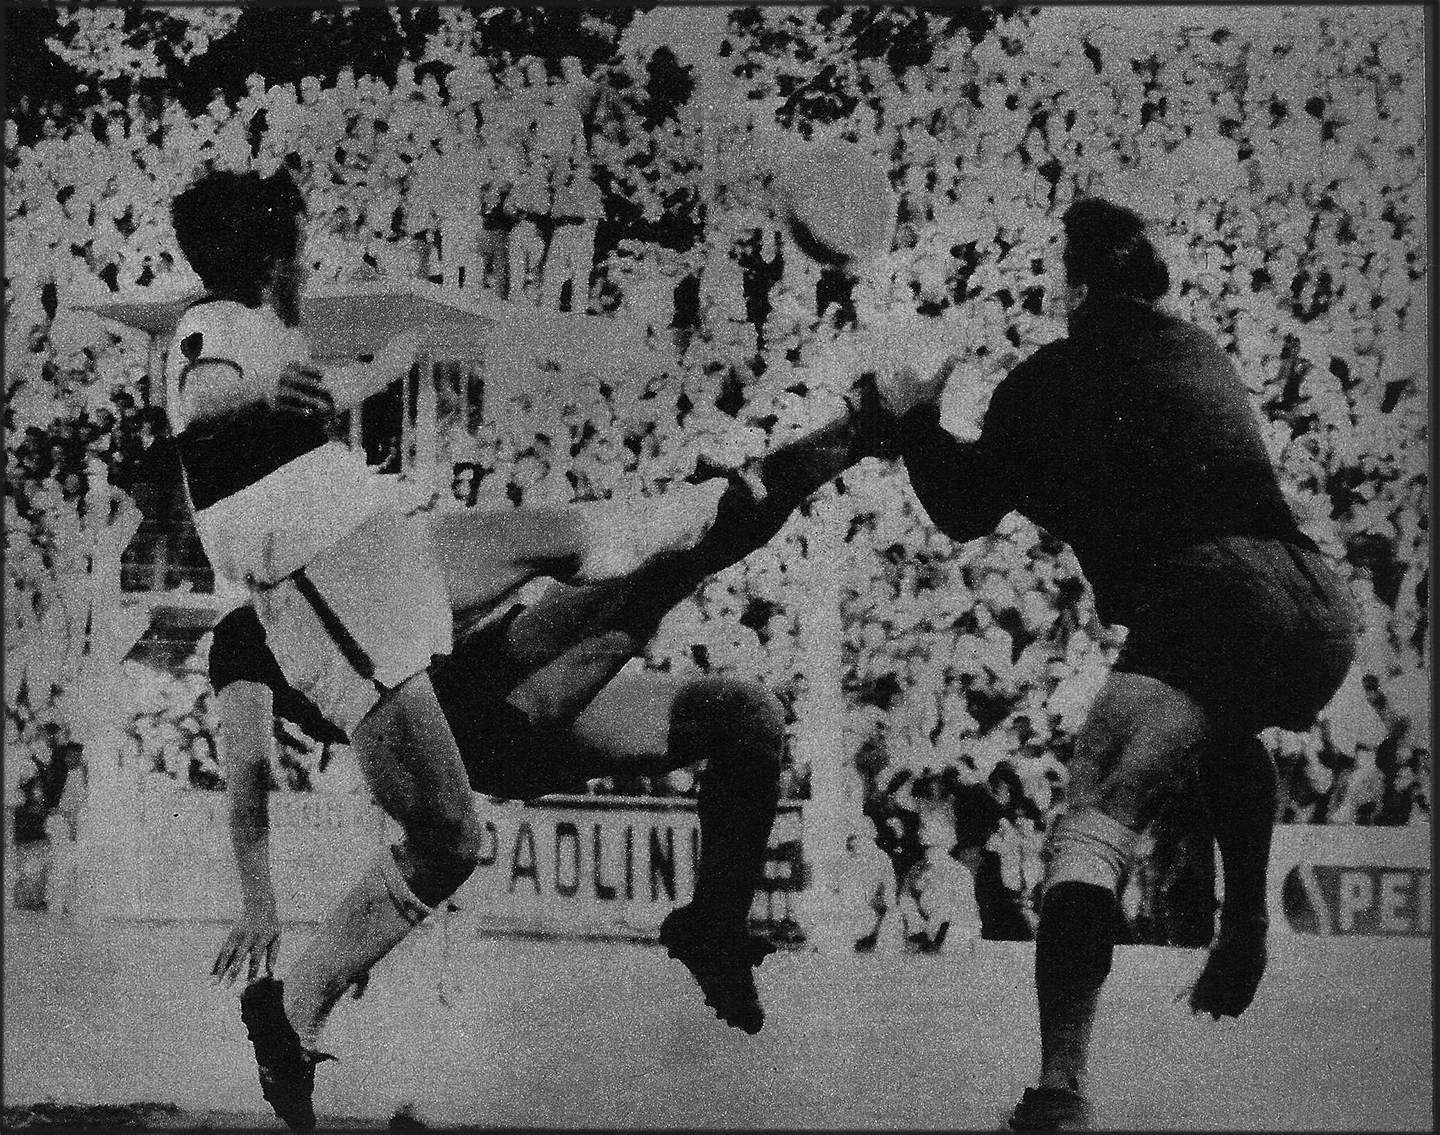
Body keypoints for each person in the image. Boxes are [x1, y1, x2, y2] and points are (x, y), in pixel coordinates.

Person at [166, 165, 732, 1131]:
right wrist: (261, 389)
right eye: (299, 245)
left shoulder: (264, 331)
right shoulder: (214, 326)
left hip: (369, 543)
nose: (308, 260)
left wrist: (376, 375)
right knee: (453, 839)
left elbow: (285, 393)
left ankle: (703, 508)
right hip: (333, 583)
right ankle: (293, 1012)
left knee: (557, 536)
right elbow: (207, 392)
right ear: (270, 257)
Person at [878, 197, 1361, 1130]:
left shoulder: (1050, 376)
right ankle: (1246, 923)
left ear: (1078, 287)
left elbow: (965, 509)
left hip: (1213, 590)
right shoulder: (1198, 350)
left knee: (1093, 818)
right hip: (1317, 601)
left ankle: (1060, 1085)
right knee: (1219, 727)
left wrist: (915, 421)